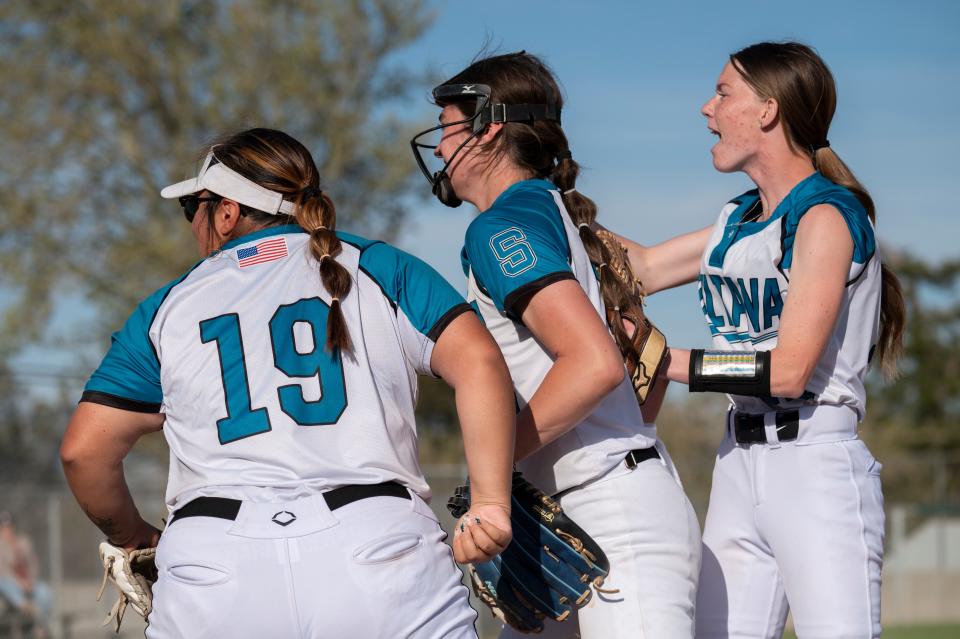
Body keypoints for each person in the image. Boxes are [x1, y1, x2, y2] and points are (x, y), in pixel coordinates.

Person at [60, 128, 517, 639]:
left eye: (195, 207)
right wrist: (491, 504)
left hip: (215, 566)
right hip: (376, 549)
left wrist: (136, 537)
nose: (194, 223)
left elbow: (84, 453)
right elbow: (479, 362)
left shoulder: (166, 308)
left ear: (228, 212)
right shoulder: (378, 267)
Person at [608, 42, 905, 638]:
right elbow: (634, 268)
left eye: (722, 93)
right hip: (737, 463)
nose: (706, 109)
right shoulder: (736, 220)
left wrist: (668, 362)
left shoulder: (825, 214)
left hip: (815, 464)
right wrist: (544, 198)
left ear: (768, 110)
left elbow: (789, 371)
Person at [411, 52, 701, 638]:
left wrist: (489, 469)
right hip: (584, 502)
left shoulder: (501, 226)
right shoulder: (549, 210)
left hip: (607, 509)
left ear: (488, 127)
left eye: (446, 128)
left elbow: (595, 366)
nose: (440, 148)